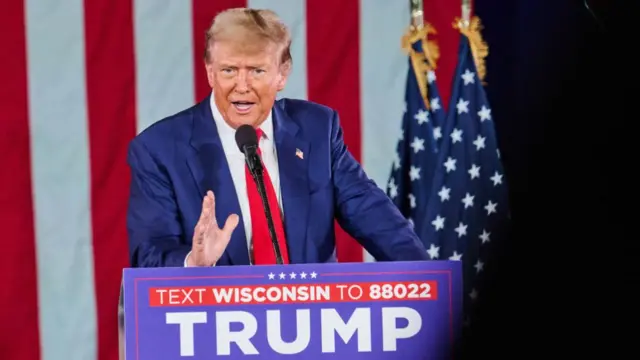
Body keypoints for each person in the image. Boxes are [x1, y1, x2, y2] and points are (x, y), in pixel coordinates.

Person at [126, 8, 429, 267]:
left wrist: (427, 280)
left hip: (315, 319)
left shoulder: (317, 130)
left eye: (256, 71)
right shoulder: (160, 149)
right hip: (215, 325)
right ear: (210, 72)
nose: (241, 86)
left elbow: (373, 215)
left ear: (282, 75)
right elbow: (149, 252)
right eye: (229, 70)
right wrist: (194, 261)